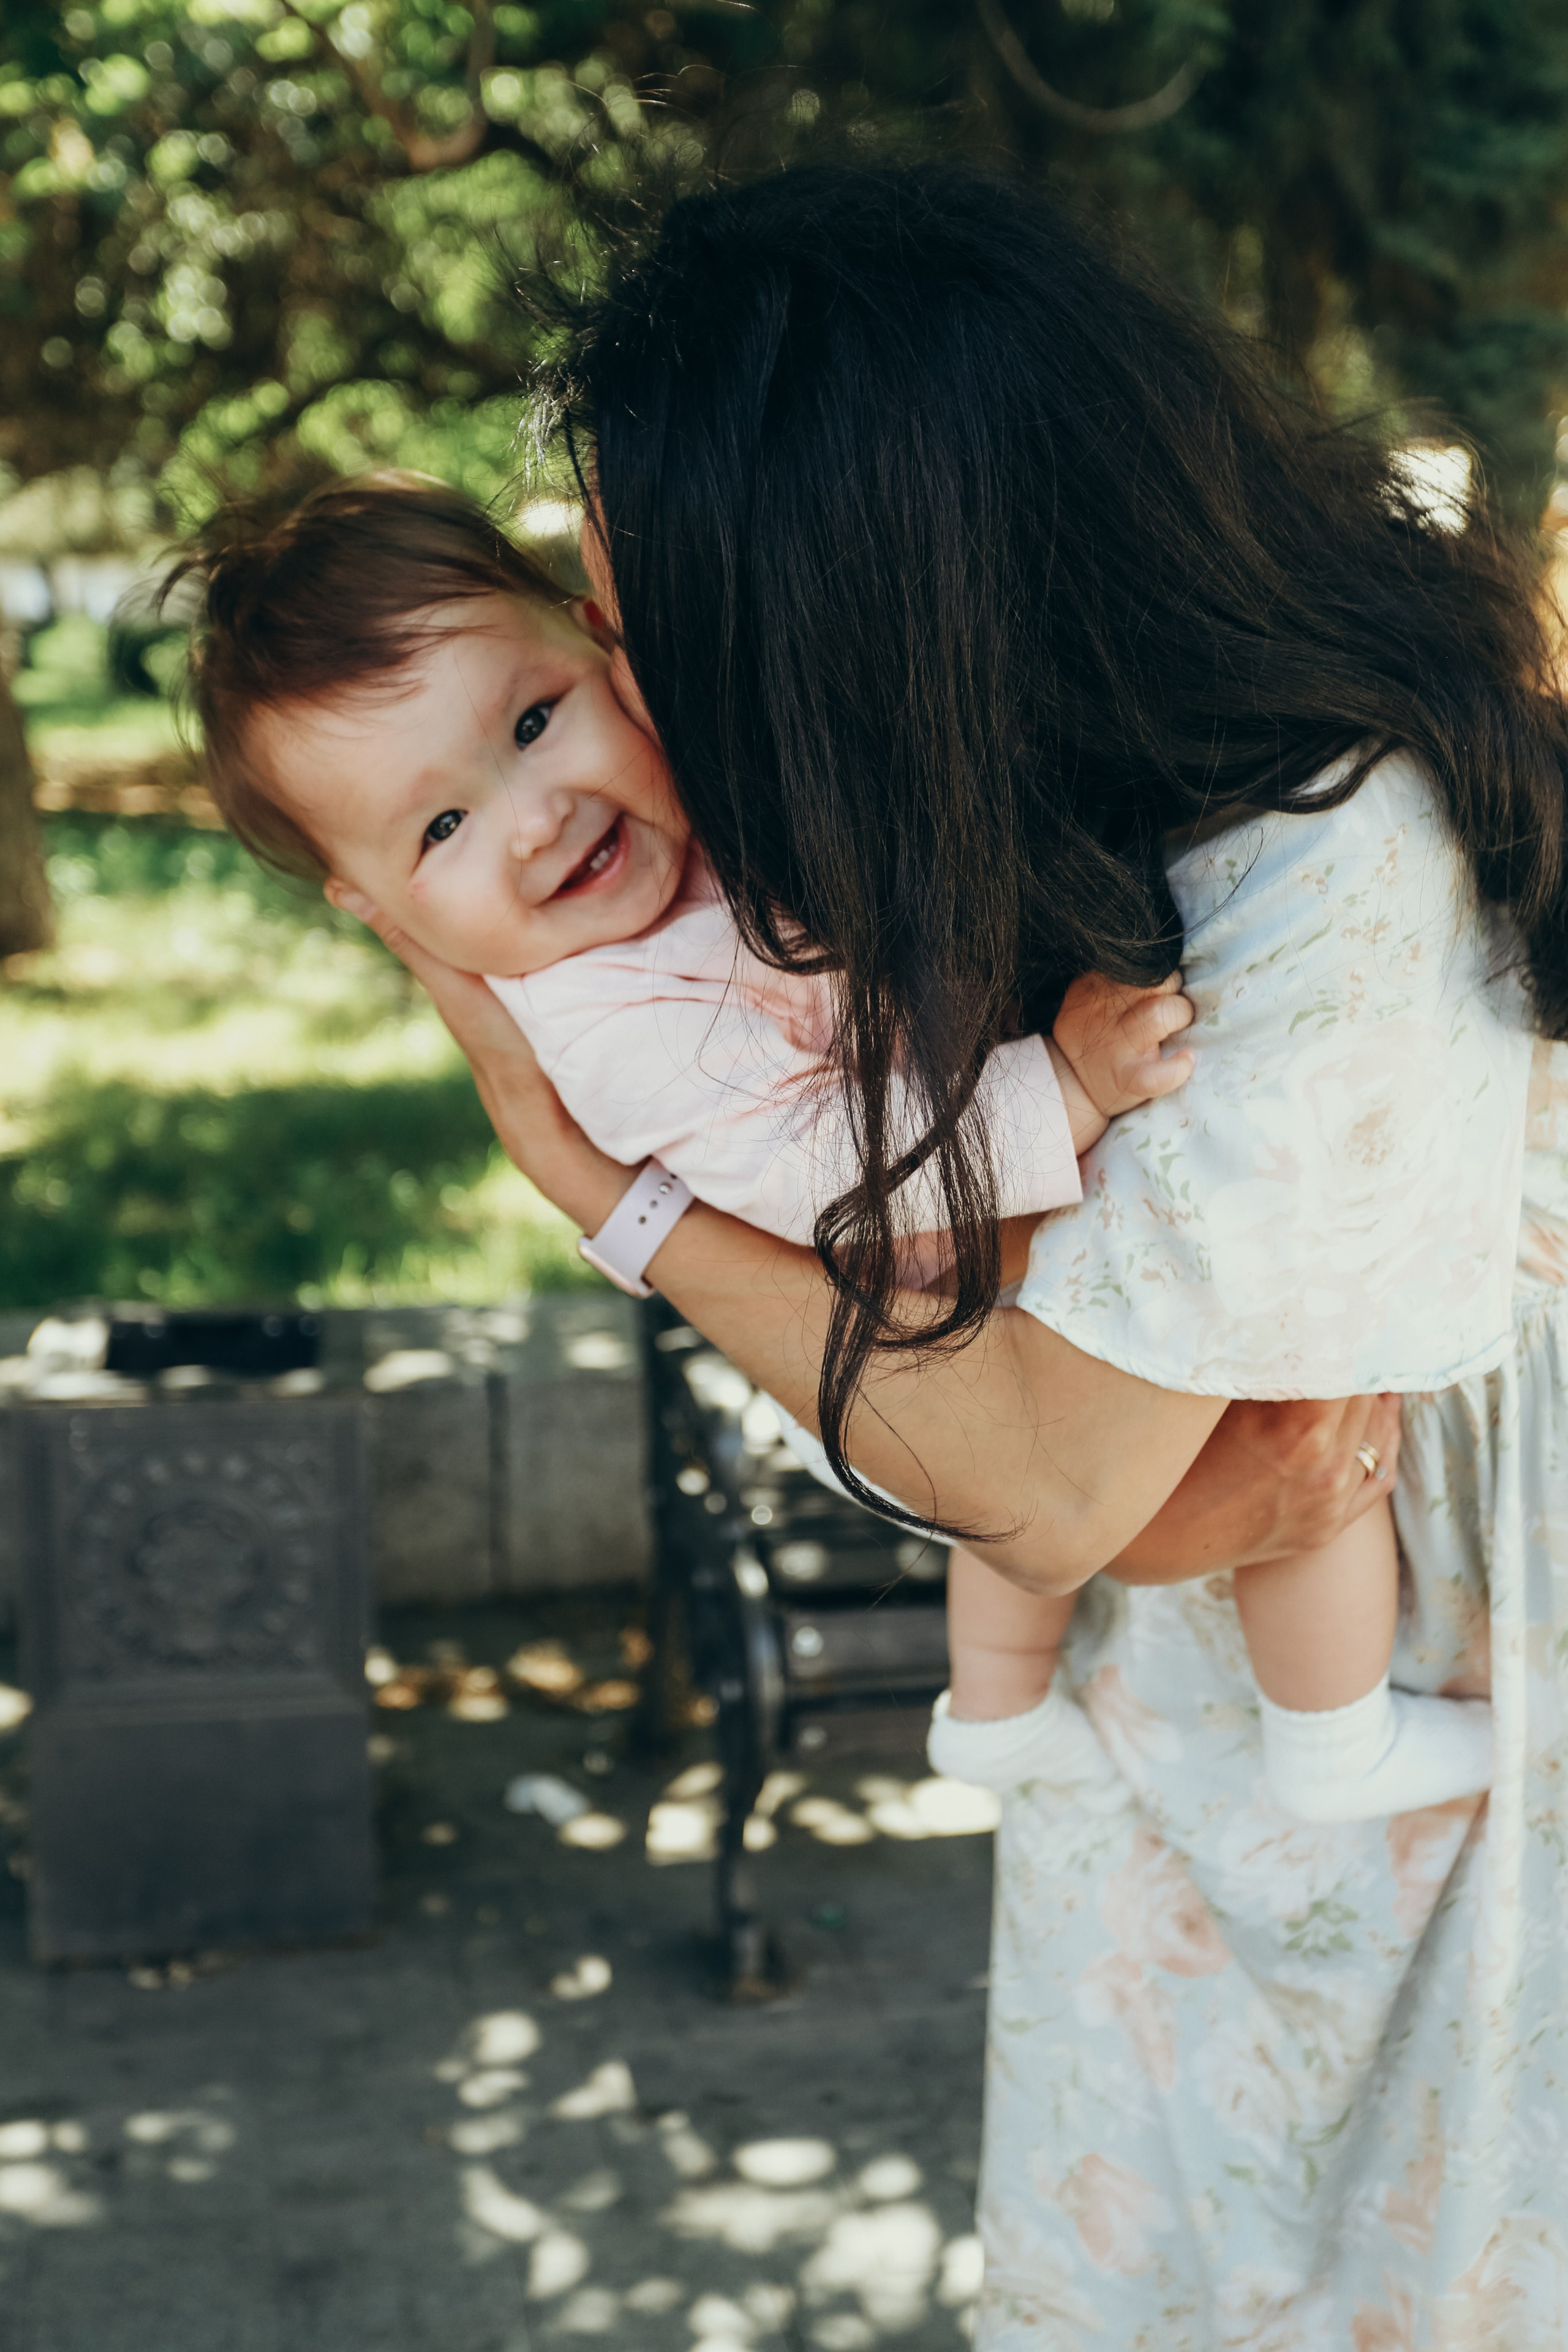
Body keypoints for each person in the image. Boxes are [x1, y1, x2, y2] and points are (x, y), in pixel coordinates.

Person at [341, 164, 1568, 2342]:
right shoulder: (987, 806)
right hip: (1196, 1740)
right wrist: (1100, 1486)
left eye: (636, 642)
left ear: (862, 608)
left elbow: (1029, 1466)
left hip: (1458, 1686)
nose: (632, 702)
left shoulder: (1325, 846)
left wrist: (612, 1201)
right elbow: (980, 1404)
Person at [178, 474, 1488, 1828]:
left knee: (1282, 1429)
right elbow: (831, 1171)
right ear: (373, 906)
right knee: (1309, 1427)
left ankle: (1004, 1707)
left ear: (604, 652)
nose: (532, 814)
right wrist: (1064, 1092)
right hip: (933, 1264)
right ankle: (1310, 1734)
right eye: (439, 827)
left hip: (984, 1277)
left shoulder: (715, 813)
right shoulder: (605, 1022)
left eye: (532, 720)